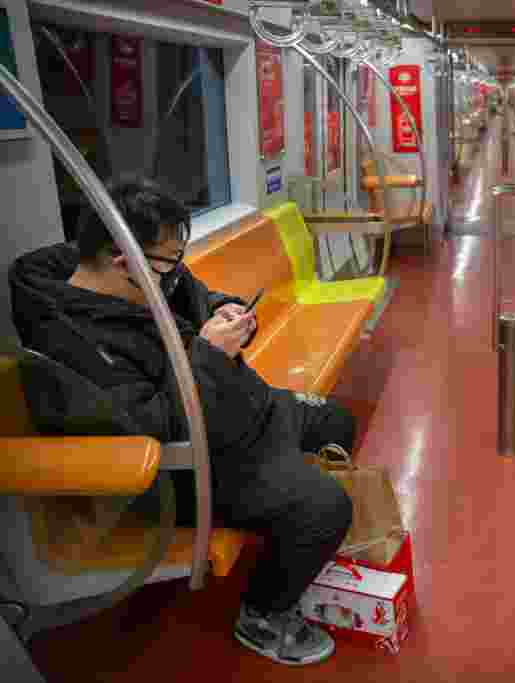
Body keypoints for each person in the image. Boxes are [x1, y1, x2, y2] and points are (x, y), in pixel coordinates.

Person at [9, 177, 354, 667]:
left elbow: (195, 291)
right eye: (169, 262)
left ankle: (289, 526)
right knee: (325, 507)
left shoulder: (153, 274)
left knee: (336, 423)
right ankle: (264, 615)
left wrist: (222, 310)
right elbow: (153, 425)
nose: (177, 273)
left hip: (242, 411)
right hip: (192, 465)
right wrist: (211, 355)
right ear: (121, 259)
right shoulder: (68, 341)